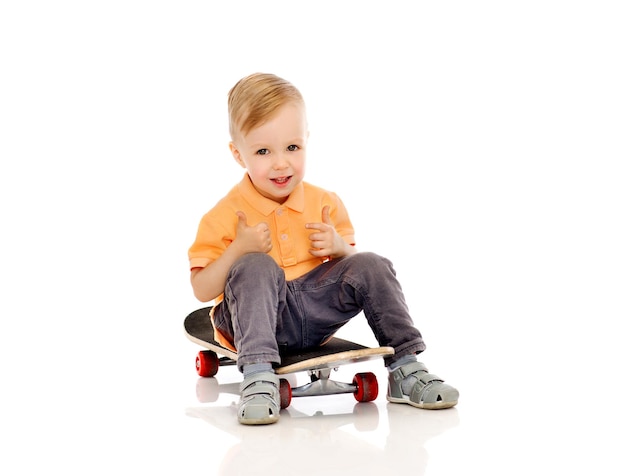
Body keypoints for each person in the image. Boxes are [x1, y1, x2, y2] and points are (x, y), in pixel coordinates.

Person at [188, 73, 459, 425]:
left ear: (306, 141)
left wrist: (339, 247)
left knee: (372, 263)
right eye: (263, 151)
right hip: (248, 317)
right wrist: (238, 249)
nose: (281, 163)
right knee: (256, 265)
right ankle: (257, 376)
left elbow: (357, 276)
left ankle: (405, 368)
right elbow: (201, 290)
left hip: (314, 313)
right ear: (238, 154)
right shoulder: (225, 214)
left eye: (293, 147)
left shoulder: (324, 203)